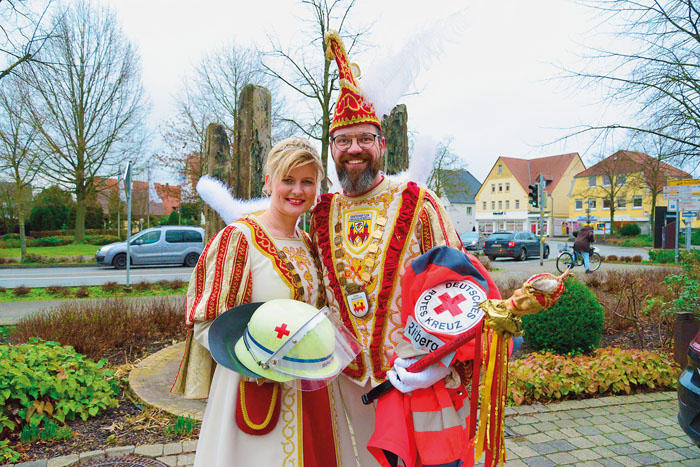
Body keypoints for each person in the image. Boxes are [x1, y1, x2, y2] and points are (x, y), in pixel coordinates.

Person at [309, 32, 502, 466]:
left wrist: (438, 360)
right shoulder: (322, 213)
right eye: (343, 141)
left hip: (417, 377)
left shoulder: (418, 202)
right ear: (332, 149)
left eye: (364, 138)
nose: (353, 149)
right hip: (348, 376)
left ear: (382, 144)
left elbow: (460, 289)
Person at [170, 137, 355, 467]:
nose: (297, 190)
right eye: (288, 180)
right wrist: (252, 363)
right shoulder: (240, 238)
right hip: (255, 386)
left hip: (313, 389)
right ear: (269, 182)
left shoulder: (310, 242)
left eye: (307, 182)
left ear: (317, 189)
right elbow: (208, 320)